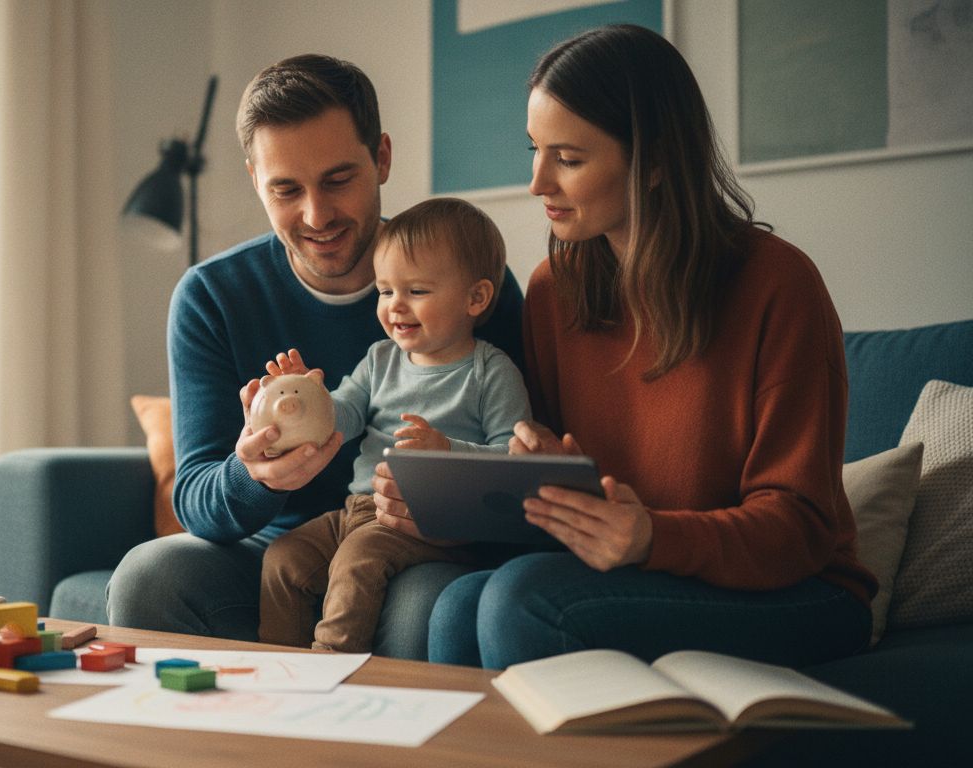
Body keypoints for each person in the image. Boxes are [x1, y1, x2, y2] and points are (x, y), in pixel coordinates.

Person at [371, 24, 876, 669]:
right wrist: (467, 500)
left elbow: (802, 531)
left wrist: (651, 537)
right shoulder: (556, 290)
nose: (537, 183)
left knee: (518, 602)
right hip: (641, 569)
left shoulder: (777, 284)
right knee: (455, 604)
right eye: (535, 149)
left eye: (569, 159)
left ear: (658, 160)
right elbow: (560, 503)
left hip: (801, 595)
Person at [106, 54, 527, 659]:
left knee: (419, 604)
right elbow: (198, 497)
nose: (316, 215)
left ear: (381, 157)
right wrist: (254, 474)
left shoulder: (466, 283)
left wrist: (450, 503)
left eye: (337, 179)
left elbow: (522, 466)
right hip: (284, 544)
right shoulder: (212, 297)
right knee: (150, 575)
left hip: (423, 550)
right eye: (286, 189)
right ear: (255, 179)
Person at [257, 198, 529, 653]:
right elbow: (343, 412)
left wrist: (448, 453)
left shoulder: (491, 372)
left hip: (426, 522)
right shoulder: (381, 359)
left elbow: (514, 461)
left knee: (357, 561)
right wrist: (309, 400)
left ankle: (331, 665)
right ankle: (280, 665)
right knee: (284, 557)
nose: (395, 306)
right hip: (358, 508)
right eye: (385, 292)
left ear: (475, 298)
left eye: (416, 291)